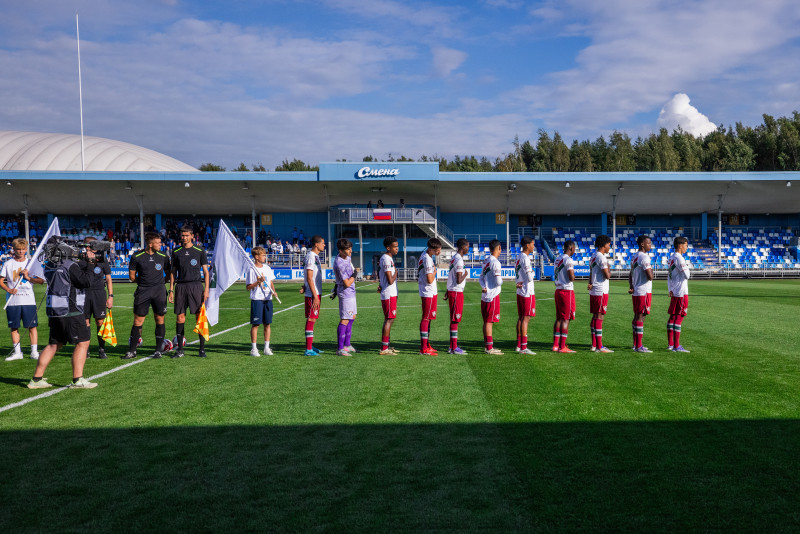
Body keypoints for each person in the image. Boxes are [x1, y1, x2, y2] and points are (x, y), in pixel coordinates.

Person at [27, 241, 98, 389]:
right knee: (83, 342)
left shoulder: (49, 266)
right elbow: (86, 281)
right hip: (70, 310)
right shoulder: (69, 265)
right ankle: (77, 379)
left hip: (55, 310)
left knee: (54, 344)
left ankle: (36, 379)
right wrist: (91, 263)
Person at [123, 232, 171, 359]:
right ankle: (132, 351)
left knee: (160, 319)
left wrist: (159, 283)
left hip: (159, 292)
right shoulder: (137, 256)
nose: (161, 244)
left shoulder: (163, 256)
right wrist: (145, 283)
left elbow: (168, 273)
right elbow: (132, 277)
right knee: (138, 321)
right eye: (158, 242)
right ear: (150, 244)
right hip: (143, 292)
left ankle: (158, 351)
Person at [169, 226, 210, 358]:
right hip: (181, 287)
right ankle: (180, 349)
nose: (184, 238)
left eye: (187, 235)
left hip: (196, 286)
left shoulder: (199, 251)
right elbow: (172, 273)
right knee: (180, 317)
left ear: (192, 236)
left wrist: (207, 289)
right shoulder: (176, 251)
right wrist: (171, 290)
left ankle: (202, 349)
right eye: (182, 235)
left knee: (199, 317)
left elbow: (205, 272)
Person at [0, 238, 44, 361]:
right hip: (13, 301)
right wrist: (9, 290)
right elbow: (1, 281)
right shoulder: (8, 263)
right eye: (18, 249)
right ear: (13, 250)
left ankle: (34, 352)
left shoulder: (31, 263)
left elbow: (41, 281)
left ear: (26, 249)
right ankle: (17, 352)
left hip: (28, 301)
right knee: (14, 327)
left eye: (23, 249)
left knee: (32, 327)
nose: (20, 251)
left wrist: (28, 277)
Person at [82, 237, 113, 359]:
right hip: (84, 293)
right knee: (85, 322)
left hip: (99, 293)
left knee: (100, 321)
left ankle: (101, 349)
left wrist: (110, 296)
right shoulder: (81, 259)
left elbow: (109, 278)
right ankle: (86, 349)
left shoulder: (102, 259)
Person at [246, 246, 277, 356]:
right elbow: (248, 287)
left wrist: (274, 291)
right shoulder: (251, 269)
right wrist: (258, 282)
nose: (265, 257)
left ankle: (266, 348)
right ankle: (254, 349)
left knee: (267, 324)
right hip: (257, 299)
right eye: (263, 255)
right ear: (256, 257)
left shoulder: (267, 268)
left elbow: (271, 282)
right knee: (256, 324)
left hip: (267, 299)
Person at [588, 235, 613, 353]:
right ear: (603, 245)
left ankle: (594, 344)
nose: (609, 247)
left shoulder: (593, 256)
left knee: (595, 316)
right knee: (599, 316)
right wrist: (609, 268)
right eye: (609, 244)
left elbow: (591, 273)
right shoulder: (601, 257)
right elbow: (607, 275)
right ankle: (599, 346)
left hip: (594, 290)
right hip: (600, 290)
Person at [332, 238, 357, 356]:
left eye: (350, 248)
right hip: (346, 292)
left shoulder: (347, 258)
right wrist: (355, 274)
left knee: (352, 317)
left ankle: (347, 345)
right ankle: (340, 348)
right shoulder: (339, 263)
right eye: (348, 249)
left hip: (351, 292)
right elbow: (346, 282)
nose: (350, 251)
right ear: (340, 251)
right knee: (345, 319)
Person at [629, 234, 654, 353]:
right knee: (641, 316)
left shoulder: (635, 256)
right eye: (648, 243)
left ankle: (636, 344)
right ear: (642, 244)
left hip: (637, 290)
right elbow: (650, 276)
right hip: (643, 291)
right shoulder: (644, 257)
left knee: (637, 316)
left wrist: (631, 286)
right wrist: (652, 272)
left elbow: (630, 273)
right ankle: (639, 346)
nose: (650, 245)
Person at [479, 239, 503, 355]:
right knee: (489, 322)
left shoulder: (486, 261)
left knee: (486, 321)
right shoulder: (496, 262)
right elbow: (498, 281)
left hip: (485, 295)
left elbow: (480, 278)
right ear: (498, 248)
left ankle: (487, 345)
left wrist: (484, 287)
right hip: (493, 295)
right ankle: (489, 348)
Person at [667, 236, 691, 352]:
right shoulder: (680, 259)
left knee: (673, 316)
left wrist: (670, 288)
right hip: (681, 291)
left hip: (675, 290)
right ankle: (676, 346)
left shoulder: (671, 258)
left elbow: (669, 276)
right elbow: (687, 275)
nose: (687, 248)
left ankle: (671, 344)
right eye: (686, 245)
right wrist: (687, 268)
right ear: (681, 245)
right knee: (679, 317)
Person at [418, 238, 442, 355]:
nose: (439, 252)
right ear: (431, 249)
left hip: (429, 291)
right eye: (437, 250)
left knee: (428, 319)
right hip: (428, 292)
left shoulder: (425, 255)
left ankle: (427, 344)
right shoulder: (427, 259)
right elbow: (429, 279)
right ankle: (423, 348)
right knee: (426, 318)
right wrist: (435, 272)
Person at [446, 238, 469, 355]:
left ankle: (452, 346)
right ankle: (454, 348)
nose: (468, 249)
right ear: (462, 247)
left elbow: (451, 275)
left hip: (452, 290)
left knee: (454, 319)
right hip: (456, 291)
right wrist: (466, 273)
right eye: (467, 246)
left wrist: (447, 289)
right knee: (455, 319)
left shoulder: (454, 258)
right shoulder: (459, 260)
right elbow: (459, 279)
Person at [303, 235, 326, 356]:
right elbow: (309, 277)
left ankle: (311, 346)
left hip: (315, 292)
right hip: (313, 294)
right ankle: (308, 349)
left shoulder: (315, 256)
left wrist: (304, 285)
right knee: (311, 319)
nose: (324, 245)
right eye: (323, 243)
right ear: (316, 244)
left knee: (313, 319)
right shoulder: (311, 256)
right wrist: (315, 295)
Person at [553, 240, 576, 353]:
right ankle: (562, 347)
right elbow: (571, 277)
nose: (575, 250)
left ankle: (556, 345)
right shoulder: (568, 260)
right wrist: (573, 276)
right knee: (566, 319)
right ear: (571, 248)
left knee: (559, 318)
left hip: (558, 290)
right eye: (574, 248)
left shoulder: (558, 259)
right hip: (567, 291)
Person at [377, 236, 399, 355]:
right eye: (395, 247)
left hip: (390, 293)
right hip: (388, 294)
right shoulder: (386, 259)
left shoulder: (388, 258)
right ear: (388, 248)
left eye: (397, 246)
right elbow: (390, 280)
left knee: (389, 319)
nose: (397, 249)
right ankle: (384, 348)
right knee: (389, 319)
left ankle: (386, 346)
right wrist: (396, 273)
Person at [515, 236, 536, 355]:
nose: (534, 246)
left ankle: (519, 345)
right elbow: (529, 277)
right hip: (527, 291)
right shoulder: (526, 259)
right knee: (526, 318)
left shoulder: (519, 257)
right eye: (532, 244)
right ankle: (523, 347)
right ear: (527, 245)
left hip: (520, 291)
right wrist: (533, 272)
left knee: (521, 317)